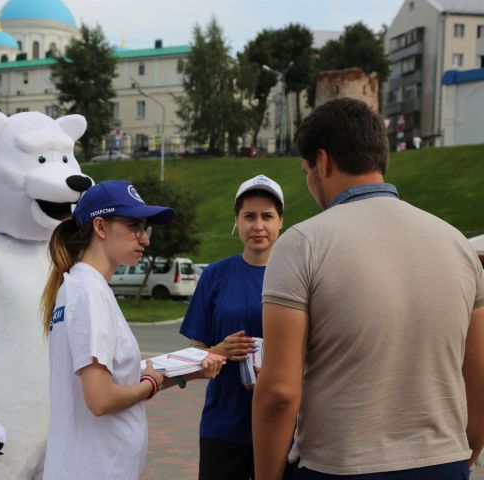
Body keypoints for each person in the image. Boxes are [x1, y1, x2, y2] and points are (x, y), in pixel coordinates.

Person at [253, 97, 484, 480]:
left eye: (307, 170)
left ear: (322, 163)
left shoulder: (303, 243)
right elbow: (479, 380)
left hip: (340, 465)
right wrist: (464, 457)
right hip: (444, 461)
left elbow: (278, 393)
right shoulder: (457, 244)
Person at [40, 180, 224, 480]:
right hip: (95, 469)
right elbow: (100, 399)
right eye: (134, 226)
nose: (145, 239)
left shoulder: (77, 285)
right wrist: (150, 385)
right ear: (100, 226)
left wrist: (189, 369)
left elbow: (113, 376)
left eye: (145, 228)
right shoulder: (90, 293)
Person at [180, 174, 285, 480]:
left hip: (283, 425)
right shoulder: (215, 275)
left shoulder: (297, 274)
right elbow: (195, 353)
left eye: (267, 216)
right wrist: (217, 352)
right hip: (223, 425)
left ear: (281, 221)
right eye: (249, 216)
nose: (258, 225)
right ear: (237, 221)